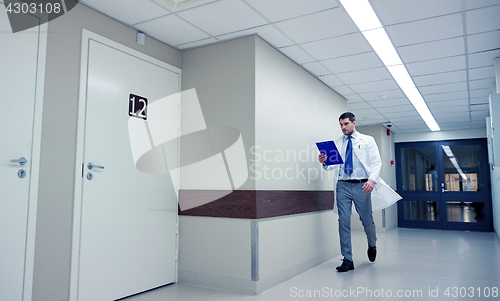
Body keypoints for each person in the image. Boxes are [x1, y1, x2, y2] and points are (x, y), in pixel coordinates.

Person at [319, 112, 382, 272]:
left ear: (354, 123)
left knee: (367, 221)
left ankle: (372, 244)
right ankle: (347, 259)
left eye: (346, 124)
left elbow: (376, 162)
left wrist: (372, 180)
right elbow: (332, 165)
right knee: (343, 221)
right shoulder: (337, 142)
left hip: (362, 185)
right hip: (343, 186)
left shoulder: (368, 140)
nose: (343, 127)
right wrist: (324, 162)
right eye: (341, 124)